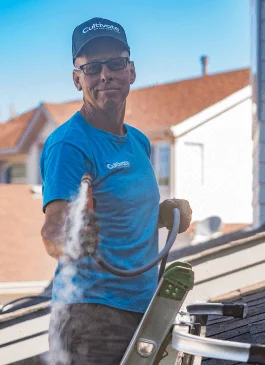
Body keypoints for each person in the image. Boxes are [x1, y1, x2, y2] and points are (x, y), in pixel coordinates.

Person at [40, 17, 192, 365]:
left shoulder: (138, 141)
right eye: (92, 67)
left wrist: (163, 214)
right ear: (77, 79)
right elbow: (54, 231)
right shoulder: (69, 144)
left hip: (146, 311)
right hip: (91, 318)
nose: (105, 74)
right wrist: (72, 237)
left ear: (131, 71)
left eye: (116, 63)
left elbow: (118, 214)